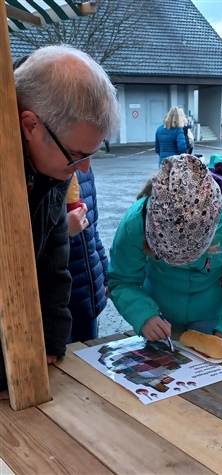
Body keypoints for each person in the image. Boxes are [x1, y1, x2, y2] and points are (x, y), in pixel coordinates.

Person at [0, 45, 120, 399]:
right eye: (77, 156)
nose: (84, 169)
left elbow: (55, 256)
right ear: (30, 126)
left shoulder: (49, 166)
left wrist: (52, 340)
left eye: (93, 154)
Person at [108, 154, 222, 347]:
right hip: (158, 314)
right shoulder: (137, 221)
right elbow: (122, 279)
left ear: (213, 224)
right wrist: (143, 314)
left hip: (213, 315)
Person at [66, 168, 108, 342]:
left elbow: (92, 231)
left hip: (87, 297)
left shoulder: (84, 171)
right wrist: (63, 232)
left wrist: (105, 276)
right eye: (79, 154)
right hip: (57, 303)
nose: (86, 164)